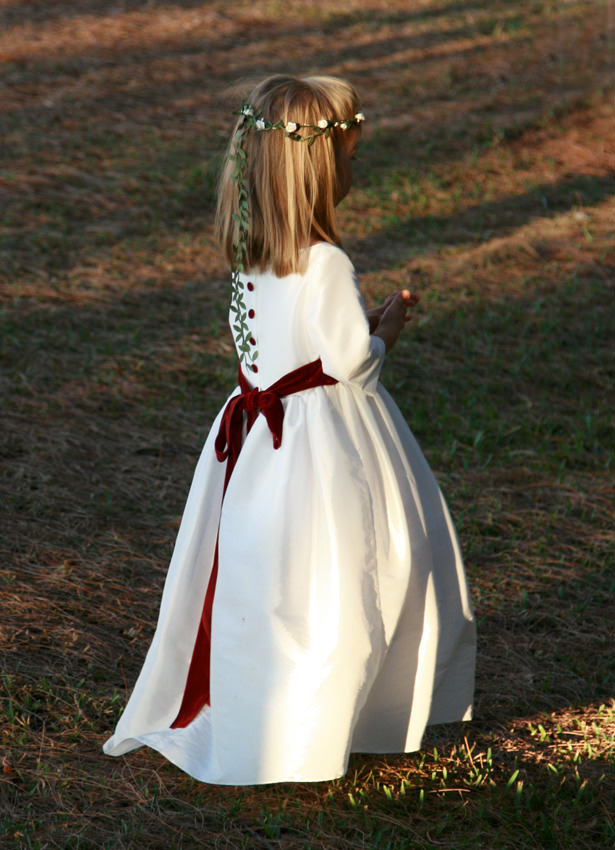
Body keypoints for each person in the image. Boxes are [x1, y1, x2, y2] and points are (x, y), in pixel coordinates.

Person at [103, 74, 476, 785]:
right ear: (320, 169)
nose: (354, 172)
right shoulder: (326, 261)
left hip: (259, 444)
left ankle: (265, 707)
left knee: (269, 574)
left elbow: (284, 350)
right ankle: (348, 715)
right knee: (362, 567)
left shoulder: (248, 249)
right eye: (350, 159)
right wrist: (384, 331)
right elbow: (349, 366)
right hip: (326, 444)